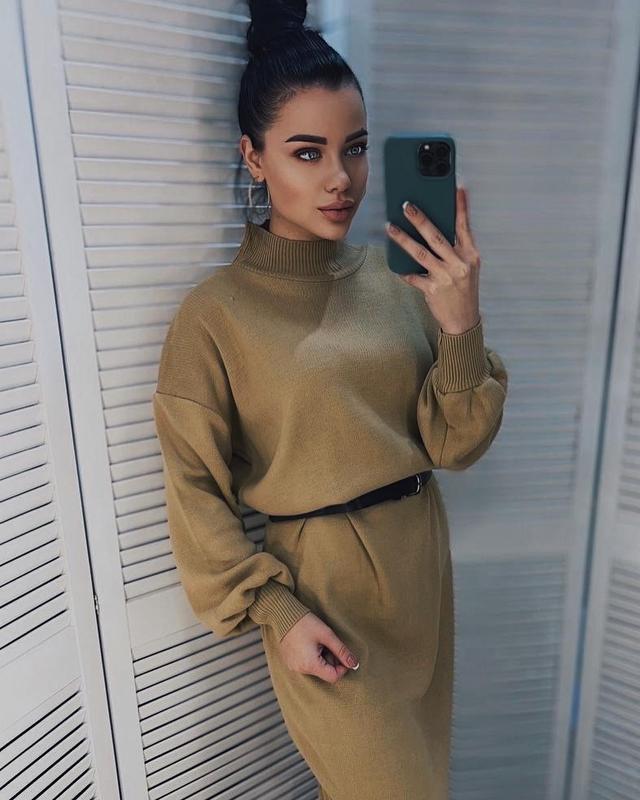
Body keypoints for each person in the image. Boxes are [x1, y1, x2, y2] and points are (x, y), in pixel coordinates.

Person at [152, 1, 509, 797]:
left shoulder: (401, 280)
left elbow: (456, 446)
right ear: (253, 157)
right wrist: (275, 612)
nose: (339, 178)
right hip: (326, 592)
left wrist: (461, 324)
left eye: (354, 147)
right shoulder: (214, 316)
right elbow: (194, 490)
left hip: (421, 566)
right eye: (307, 152)